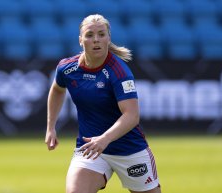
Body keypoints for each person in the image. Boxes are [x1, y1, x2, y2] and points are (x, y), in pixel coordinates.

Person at [45, 14, 161, 193]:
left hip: (129, 150)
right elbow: (57, 90)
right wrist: (51, 127)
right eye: (89, 35)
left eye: (101, 34)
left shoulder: (119, 72)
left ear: (108, 38)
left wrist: (105, 139)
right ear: (80, 40)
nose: (96, 40)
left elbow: (131, 115)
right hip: (91, 148)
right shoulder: (67, 68)